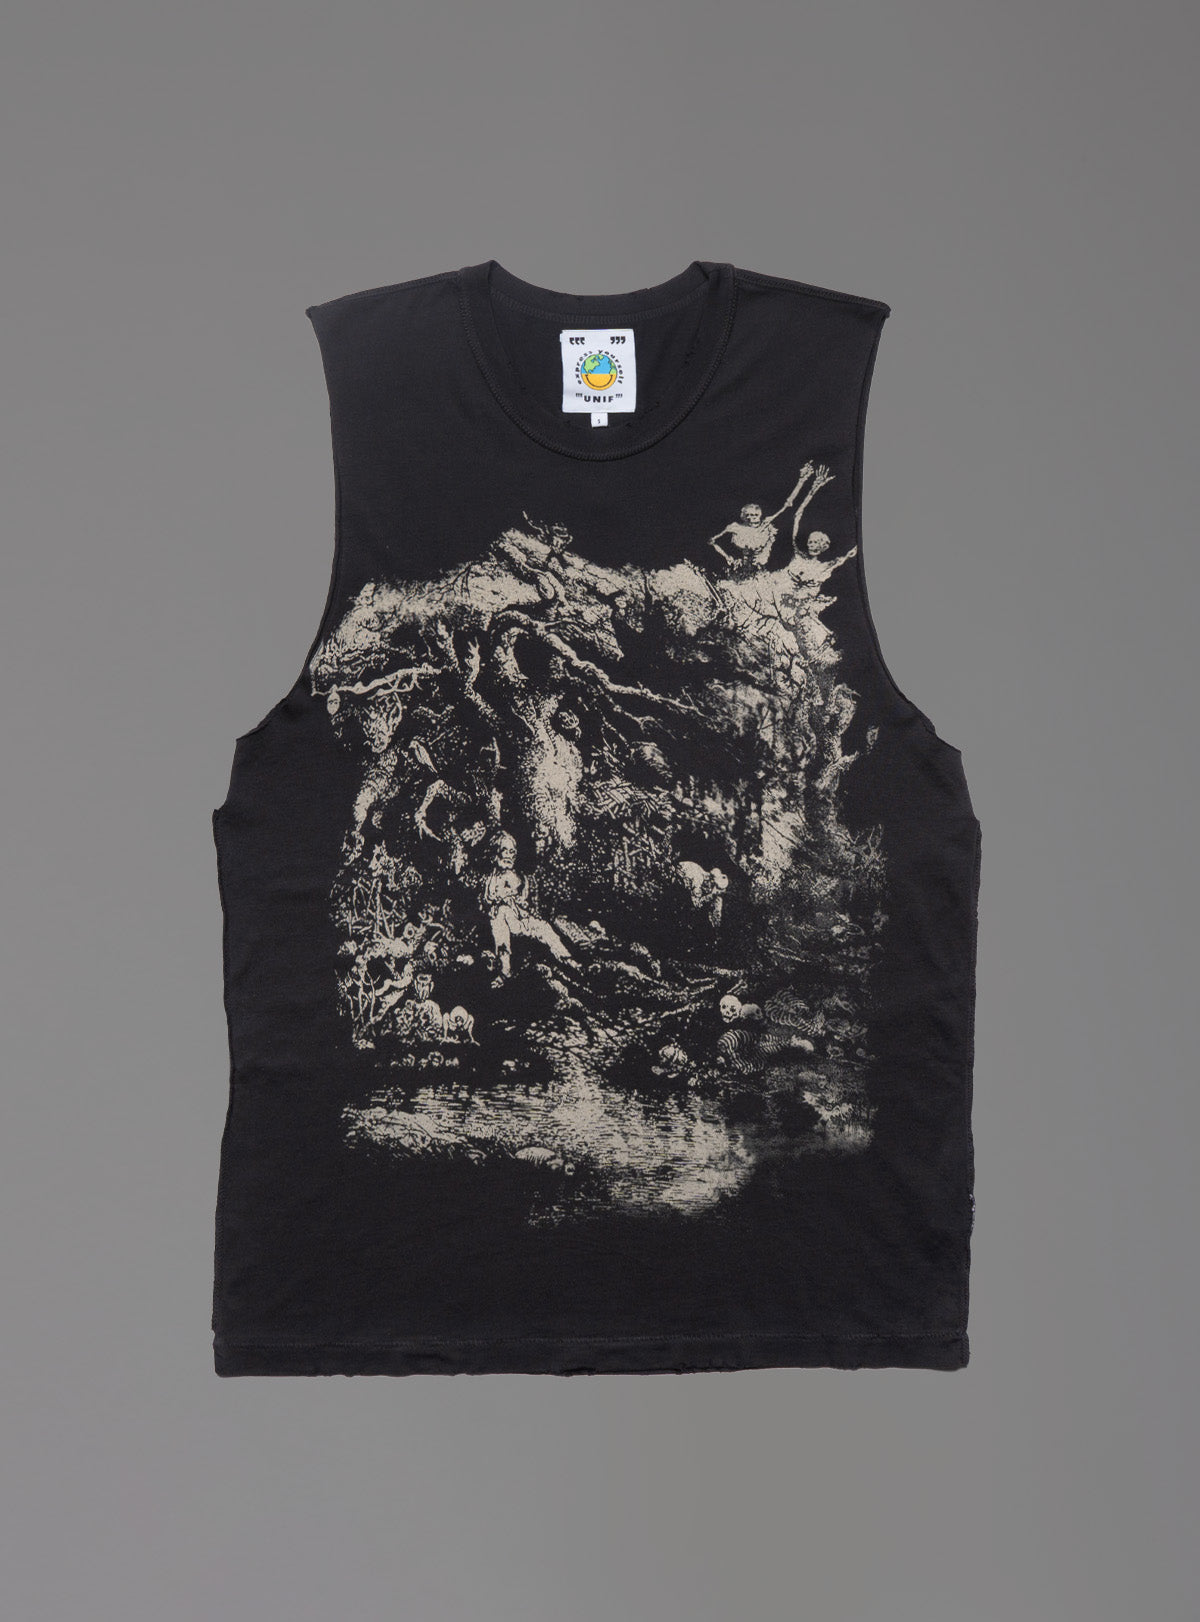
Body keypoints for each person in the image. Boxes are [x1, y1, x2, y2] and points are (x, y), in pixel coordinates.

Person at [481, 832, 579, 979]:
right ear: (496, 853)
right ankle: (505, 967)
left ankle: (567, 959)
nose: (508, 855)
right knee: (501, 916)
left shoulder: (519, 877)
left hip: (522, 919)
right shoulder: (491, 878)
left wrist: (523, 904)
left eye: (512, 852)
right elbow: (488, 900)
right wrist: (501, 901)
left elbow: (525, 900)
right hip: (503, 919)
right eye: (504, 850)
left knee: (543, 927)